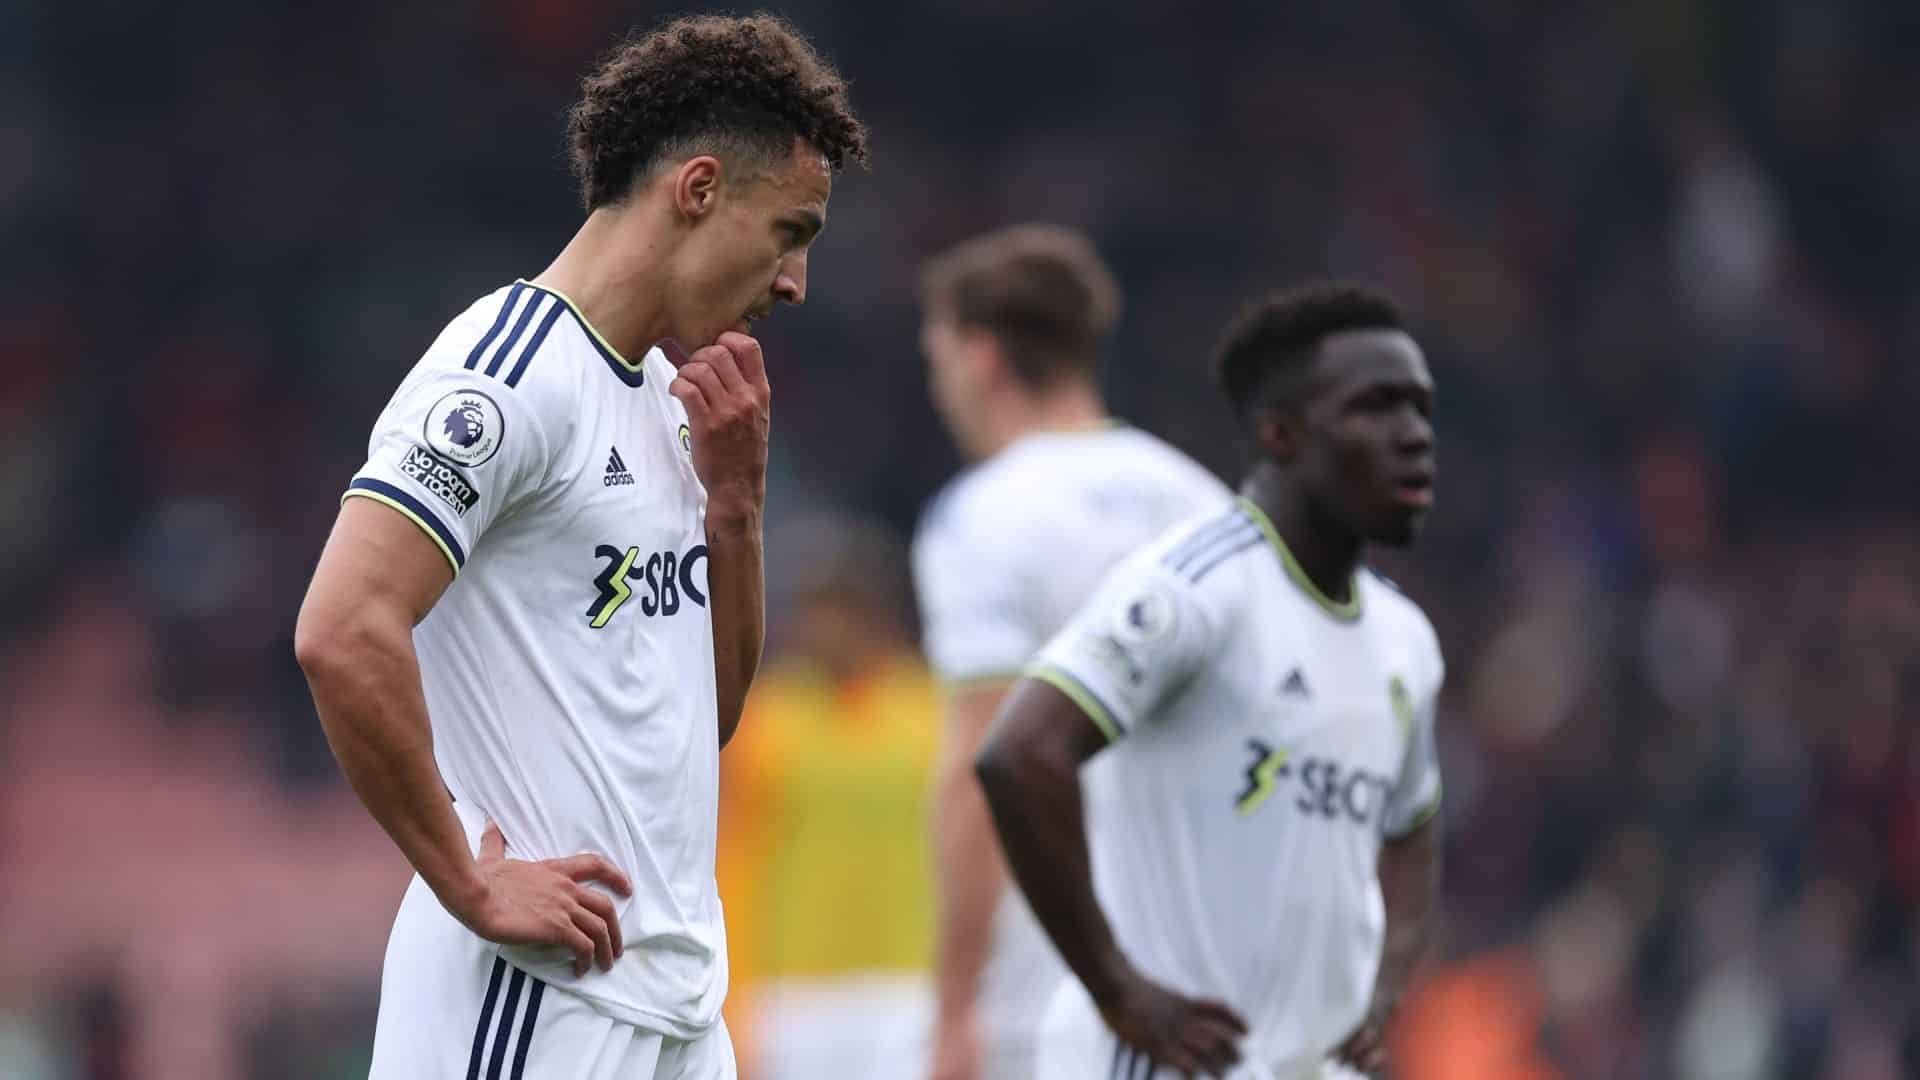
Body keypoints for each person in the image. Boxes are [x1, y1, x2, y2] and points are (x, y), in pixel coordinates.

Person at [291, 15, 866, 1079]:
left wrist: (733, 511)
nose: (794, 281)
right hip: (538, 990)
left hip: (679, 998)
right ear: (697, 189)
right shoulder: (508, 373)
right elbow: (342, 626)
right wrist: (469, 881)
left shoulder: (661, 396)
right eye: (791, 231)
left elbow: (711, 713)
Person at [975, 282, 1445, 1080]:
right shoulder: (1194, 588)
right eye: (1378, 407)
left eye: (1421, 409)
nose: (1415, 436)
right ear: (1281, 434)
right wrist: (1120, 991)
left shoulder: (1405, 640)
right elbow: (1018, 757)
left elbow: (1413, 822)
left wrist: (1384, 987)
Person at [911, 224, 1232, 1079]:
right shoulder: (1207, 506)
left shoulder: (983, 517)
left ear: (980, 358)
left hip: (1046, 988)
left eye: (937, 359)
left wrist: (952, 1007)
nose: (939, 387)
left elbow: (980, 772)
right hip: (1211, 972)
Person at [717, 514, 943, 1078]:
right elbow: (731, 859)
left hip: (911, 986)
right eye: (813, 608)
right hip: (792, 994)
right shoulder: (765, 718)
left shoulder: (933, 712)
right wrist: (733, 995)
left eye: (837, 607)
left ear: (874, 613)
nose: (822, 626)